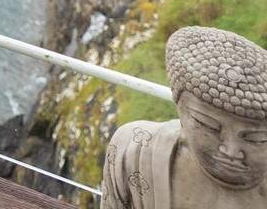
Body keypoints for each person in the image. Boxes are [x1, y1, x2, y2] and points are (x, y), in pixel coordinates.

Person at [104, 26, 267, 209]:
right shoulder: (134, 151)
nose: (230, 151)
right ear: (181, 110)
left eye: (256, 139)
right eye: (209, 126)